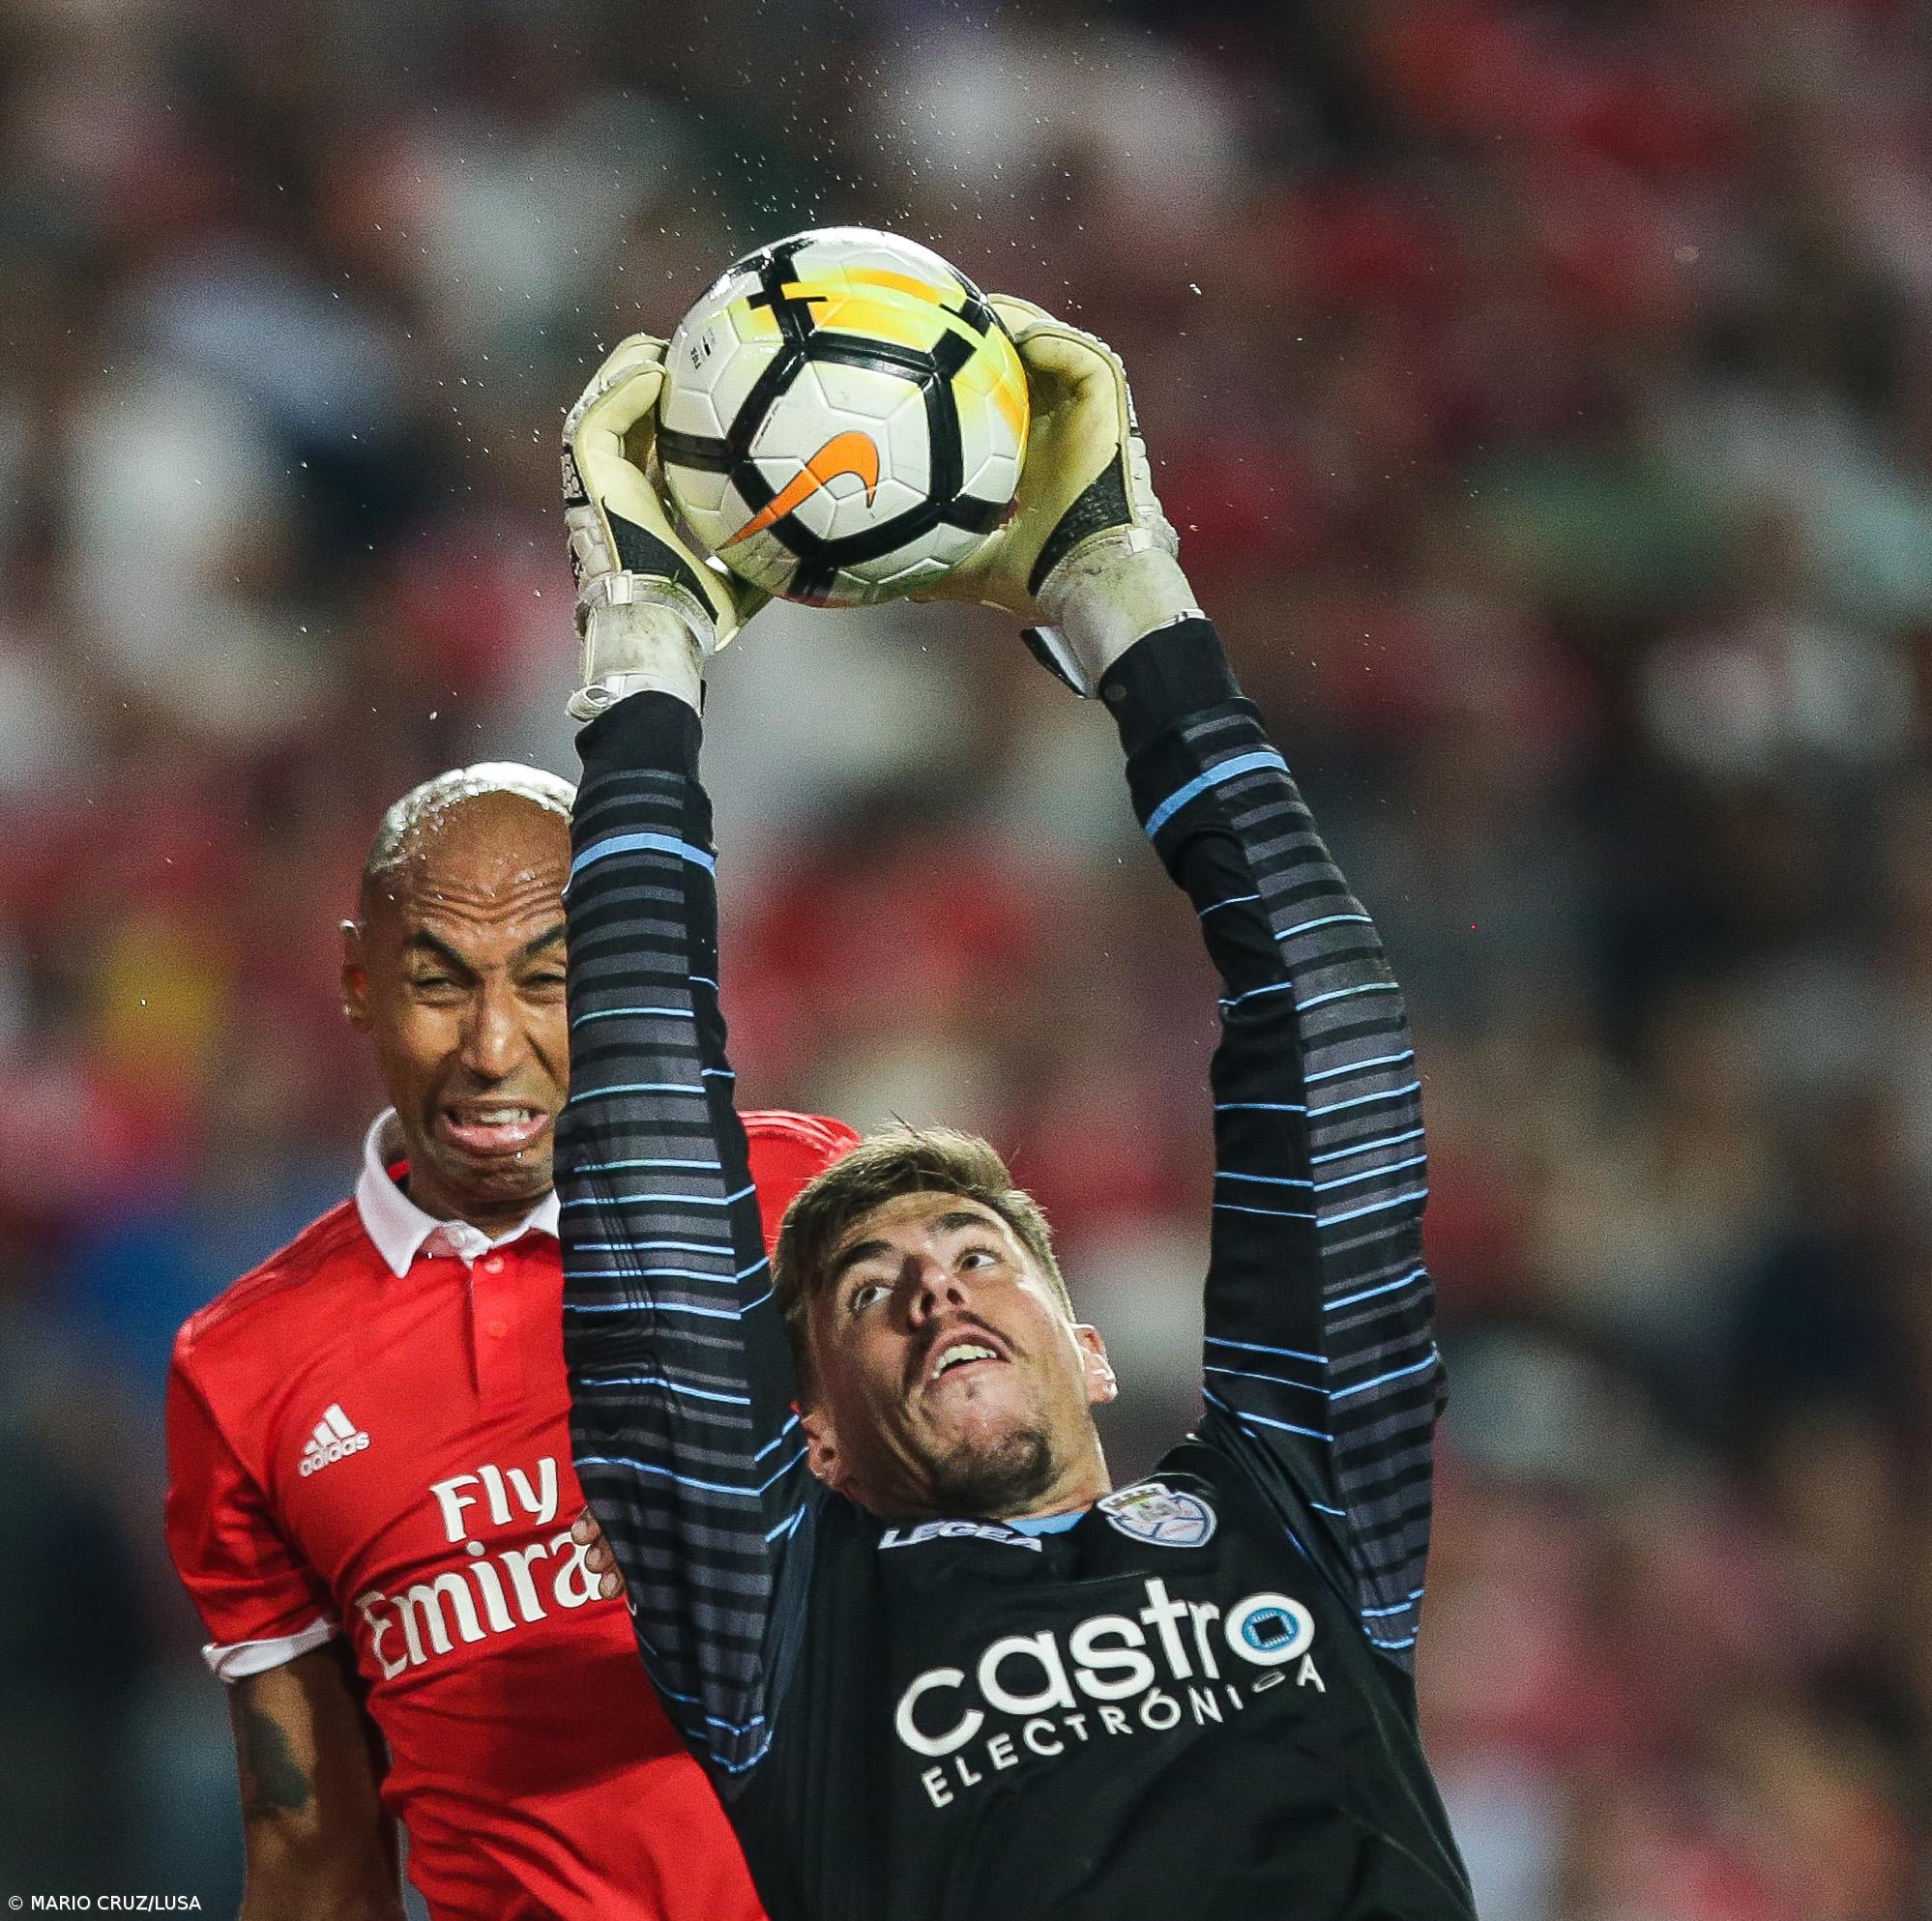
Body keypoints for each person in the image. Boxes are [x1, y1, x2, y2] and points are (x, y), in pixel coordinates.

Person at [551, 294, 1472, 1918]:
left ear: (1091, 1347)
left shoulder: (1296, 1511)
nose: (936, 1287)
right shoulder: (786, 1629)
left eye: (980, 1253)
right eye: (867, 1289)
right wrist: (643, 660)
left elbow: (1327, 1036)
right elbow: (643, 1184)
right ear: (808, 1433)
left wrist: (1129, 597)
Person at [162, 762, 855, 1920]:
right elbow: (310, 1849)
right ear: (358, 983)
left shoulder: (802, 1197)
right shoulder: (241, 1369)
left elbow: (1013, 1567)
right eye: (439, 983)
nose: (492, 1047)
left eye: (550, 981)